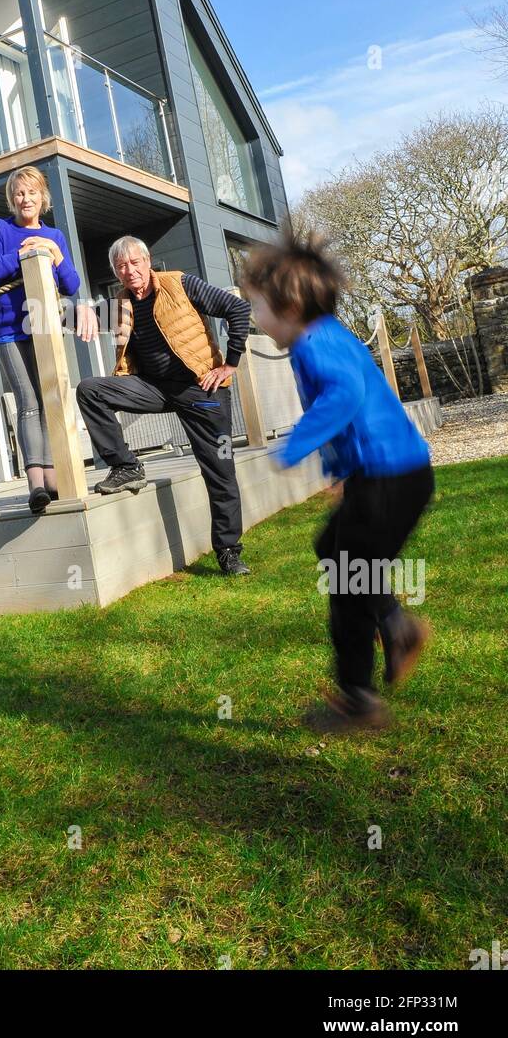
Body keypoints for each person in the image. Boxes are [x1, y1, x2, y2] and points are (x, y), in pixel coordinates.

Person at [240, 227, 434, 733]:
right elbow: (356, 411)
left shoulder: (311, 345)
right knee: (335, 548)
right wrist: (341, 473)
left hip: (389, 479)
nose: (255, 320)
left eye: (257, 307)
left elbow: (344, 395)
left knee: (348, 585)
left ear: (288, 307)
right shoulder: (328, 336)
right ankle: (396, 625)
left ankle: (360, 699)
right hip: (395, 475)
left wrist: (297, 443)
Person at [75, 236, 252, 576]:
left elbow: (238, 309)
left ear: (148, 261)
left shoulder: (180, 284)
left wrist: (230, 364)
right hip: (153, 388)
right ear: (116, 271)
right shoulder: (121, 302)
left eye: (135, 263)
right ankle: (126, 465)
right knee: (90, 390)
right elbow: (78, 320)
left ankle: (229, 552)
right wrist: (80, 307)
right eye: (121, 266)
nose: (129, 271)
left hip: (201, 389)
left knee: (220, 469)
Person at [0, 166, 97, 515]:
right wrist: (24, 253)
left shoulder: (55, 235)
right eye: (19, 193)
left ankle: (52, 480)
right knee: (29, 402)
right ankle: (35, 484)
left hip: (45, 326)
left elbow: (72, 285)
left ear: (42, 197)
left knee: (49, 400)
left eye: (31, 192)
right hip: (10, 329)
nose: (25, 198)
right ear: (11, 199)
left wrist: (51, 250)